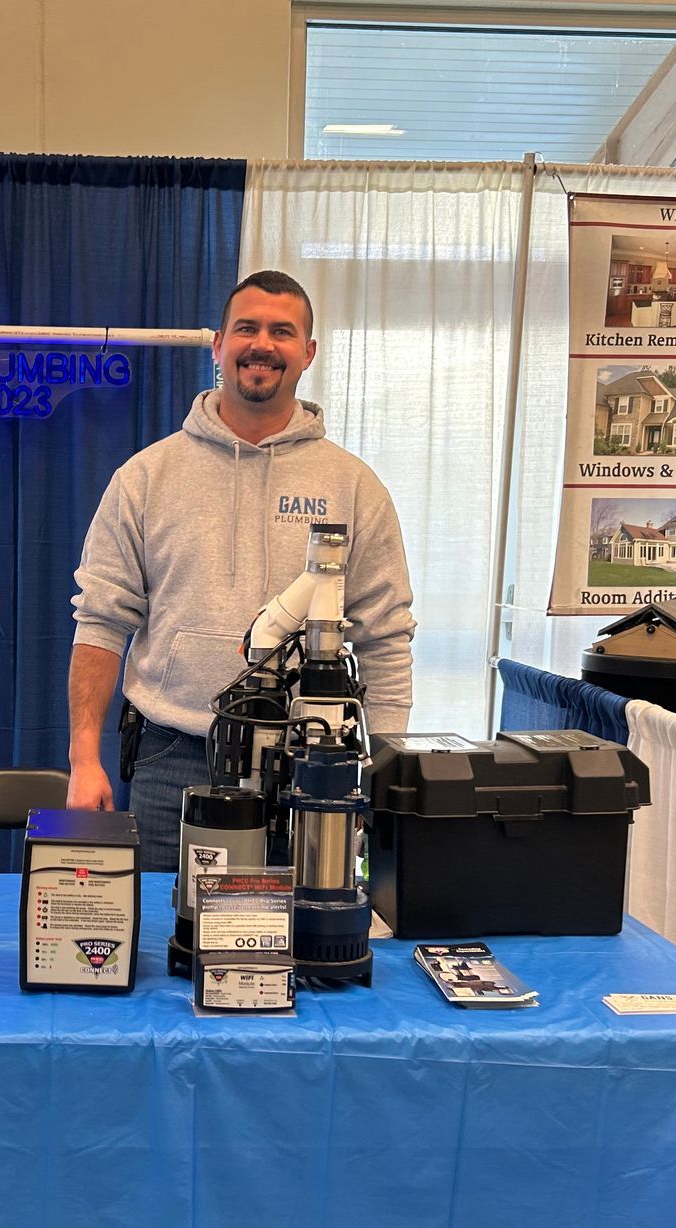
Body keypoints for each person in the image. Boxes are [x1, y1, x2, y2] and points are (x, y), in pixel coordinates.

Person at [66, 269, 416, 870]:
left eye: (283, 332)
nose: (262, 344)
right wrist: (83, 760)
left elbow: (385, 638)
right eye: (246, 328)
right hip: (170, 759)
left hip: (305, 769)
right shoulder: (146, 479)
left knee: (289, 949)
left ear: (307, 353)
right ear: (219, 346)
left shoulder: (354, 487)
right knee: (163, 944)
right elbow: (100, 624)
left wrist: (379, 768)